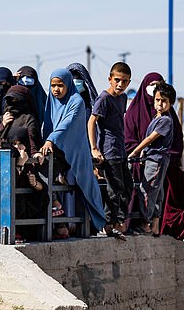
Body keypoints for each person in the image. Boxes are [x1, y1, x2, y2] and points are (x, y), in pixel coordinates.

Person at [41, 68, 106, 235]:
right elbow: (48, 124)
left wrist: (50, 139)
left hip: (75, 153)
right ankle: (59, 227)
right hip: (55, 153)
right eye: (53, 85)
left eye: (60, 85)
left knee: (82, 188)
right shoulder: (51, 102)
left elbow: (67, 124)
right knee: (56, 191)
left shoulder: (76, 101)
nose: (56, 89)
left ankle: (88, 224)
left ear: (68, 85)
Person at [88, 62, 132, 239]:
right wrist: (94, 148)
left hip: (120, 149)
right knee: (114, 190)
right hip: (109, 150)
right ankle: (108, 224)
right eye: (117, 80)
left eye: (124, 81)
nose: (120, 85)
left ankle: (117, 222)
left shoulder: (122, 98)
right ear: (110, 79)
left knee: (127, 187)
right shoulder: (104, 98)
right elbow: (92, 122)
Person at [128, 83, 177, 236]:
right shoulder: (157, 117)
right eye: (157, 100)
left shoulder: (166, 121)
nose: (160, 104)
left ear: (170, 103)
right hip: (153, 159)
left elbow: (151, 138)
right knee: (156, 192)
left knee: (147, 190)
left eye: (164, 101)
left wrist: (136, 150)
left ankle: (145, 223)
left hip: (156, 160)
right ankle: (153, 225)